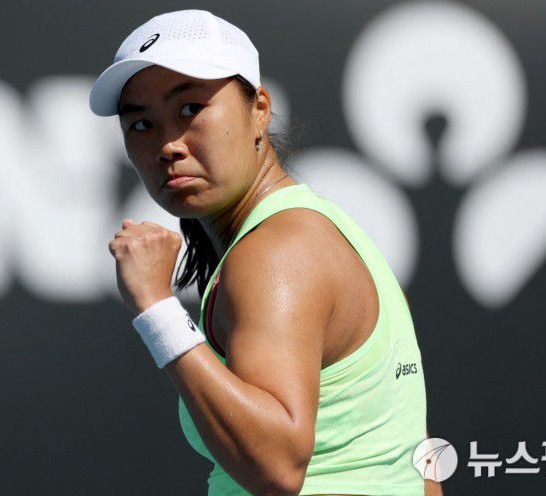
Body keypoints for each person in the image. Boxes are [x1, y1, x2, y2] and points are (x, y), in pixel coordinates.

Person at [91, 9, 438, 496]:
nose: (168, 144)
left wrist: (158, 308)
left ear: (258, 110)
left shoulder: (278, 251)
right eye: (142, 124)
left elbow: (277, 469)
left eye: (190, 109)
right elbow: (415, 466)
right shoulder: (307, 230)